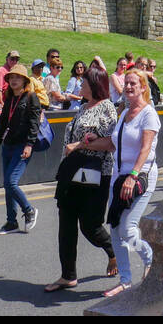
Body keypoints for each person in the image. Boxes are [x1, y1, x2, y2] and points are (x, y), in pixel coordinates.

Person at [82, 68, 160, 298]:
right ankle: (125, 281)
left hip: (140, 177)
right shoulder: (124, 112)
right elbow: (113, 144)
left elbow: (145, 148)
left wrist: (133, 175)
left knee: (127, 228)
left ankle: (151, 259)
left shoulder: (149, 114)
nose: (127, 87)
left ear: (143, 87)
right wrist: (92, 142)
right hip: (119, 177)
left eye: (133, 84)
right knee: (115, 228)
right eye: (126, 83)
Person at [44, 61, 118, 291]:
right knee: (66, 224)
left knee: (90, 225)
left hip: (95, 173)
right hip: (71, 171)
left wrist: (77, 146)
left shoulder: (107, 108)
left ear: (94, 84)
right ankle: (68, 275)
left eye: (84, 81)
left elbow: (110, 142)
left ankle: (113, 252)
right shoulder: (83, 107)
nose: (80, 83)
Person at [0, 64, 41, 234]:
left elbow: (34, 123)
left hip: (22, 147)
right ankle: (11, 222)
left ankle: (28, 210)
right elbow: (1, 125)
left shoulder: (31, 97)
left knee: (10, 182)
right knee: (7, 185)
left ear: (24, 80)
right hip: (8, 146)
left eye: (17, 77)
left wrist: (29, 144)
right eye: (11, 77)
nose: (14, 80)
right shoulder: (9, 100)